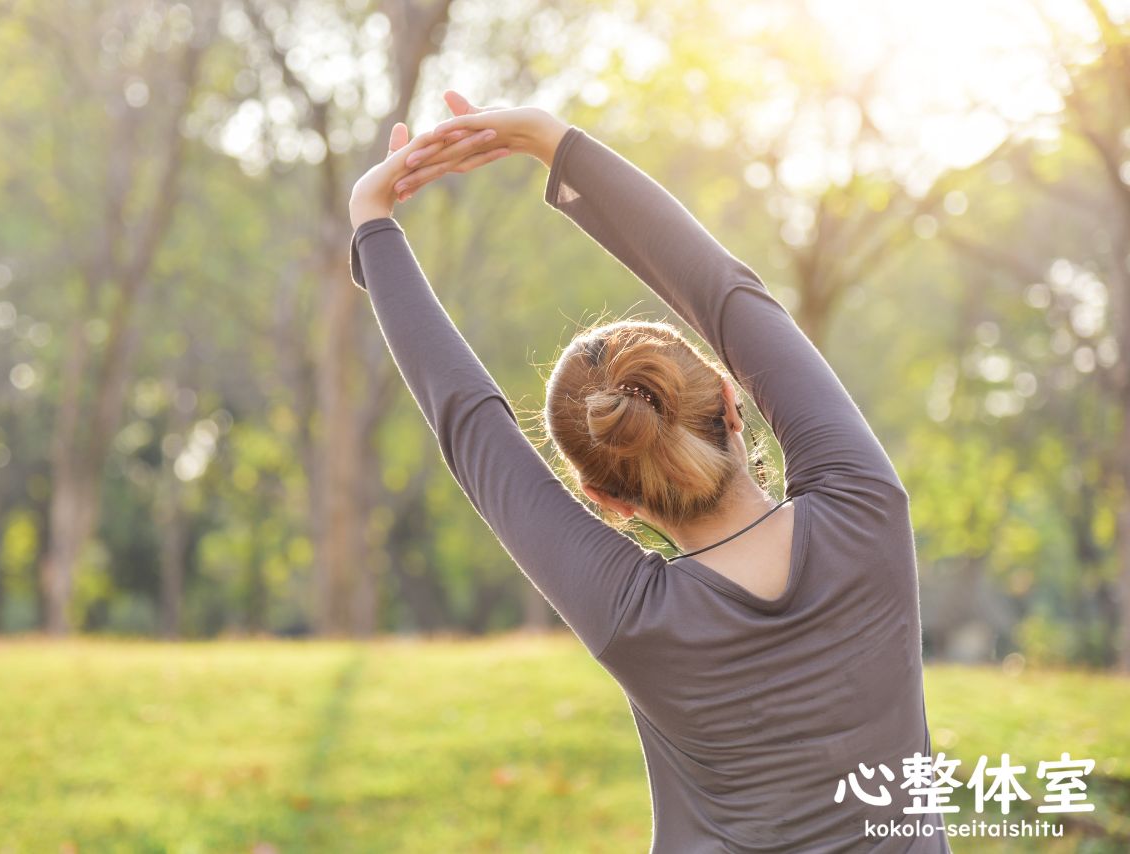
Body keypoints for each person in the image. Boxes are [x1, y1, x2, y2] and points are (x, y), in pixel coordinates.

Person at [347, 91, 950, 853]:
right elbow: (728, 295)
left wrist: (374, 222)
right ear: (731, 401)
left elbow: (470, 428)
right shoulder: (869, 509)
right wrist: (551, 142)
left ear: (602, 500)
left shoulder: (633, 616)